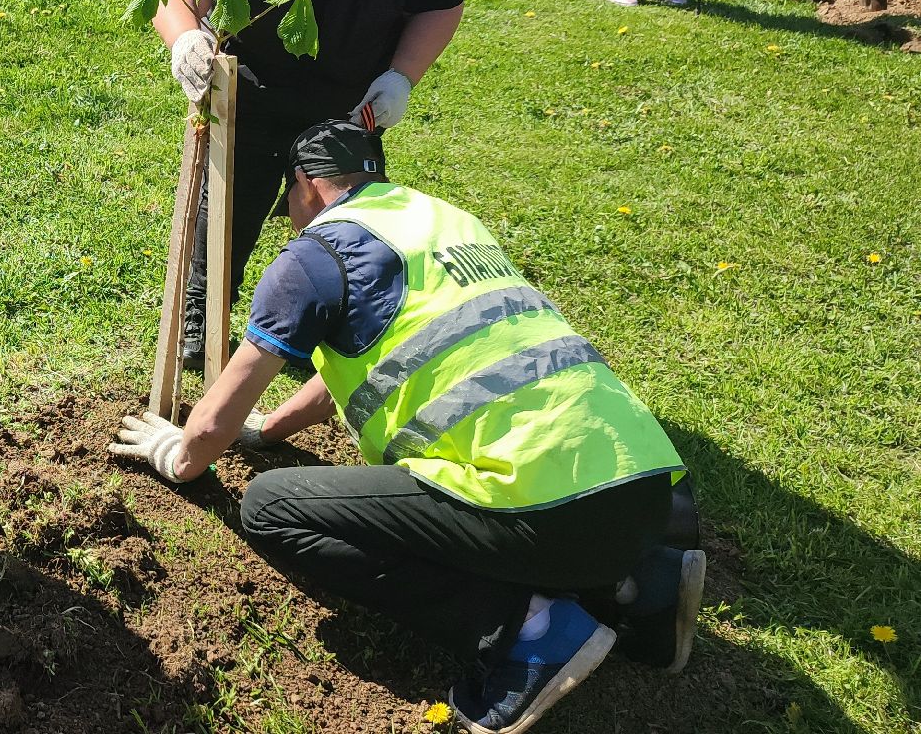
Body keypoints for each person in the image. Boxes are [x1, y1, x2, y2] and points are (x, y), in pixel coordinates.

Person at [110, 120, 706, 734]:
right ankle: (643, 589)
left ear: (306, 186)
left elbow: (212, 419)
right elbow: (373, 369)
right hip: (643, 490)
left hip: (536, 502)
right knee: (579, 529)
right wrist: (267, 431)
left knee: (270, 506)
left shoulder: (318, 254)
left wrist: (181, 454)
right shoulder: (441, 221)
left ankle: (528, 630)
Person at [151, 0, 464, 371]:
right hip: (247, 83)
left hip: (350, 91)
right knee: (227, 209)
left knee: (341, 218)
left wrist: (402, 76)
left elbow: (439, 1)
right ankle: (202, 318)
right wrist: (187, 37)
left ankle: (330, 338)